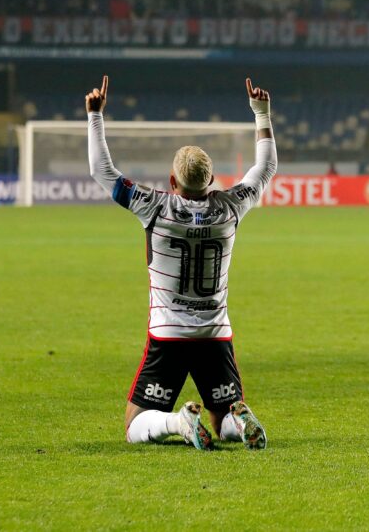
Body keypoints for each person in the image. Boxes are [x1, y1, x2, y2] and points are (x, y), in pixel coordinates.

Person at [85, 75, 277, 450]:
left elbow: (102, 173)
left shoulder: (155, 206)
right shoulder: (230, 206)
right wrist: (261, 112)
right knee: (221, 421)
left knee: (134, 424)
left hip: (168, 335)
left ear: (172, 180)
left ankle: (179, 421)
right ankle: (239, 421)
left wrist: (95, 116)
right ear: (211, 181)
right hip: (215, 335)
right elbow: (265, 168)